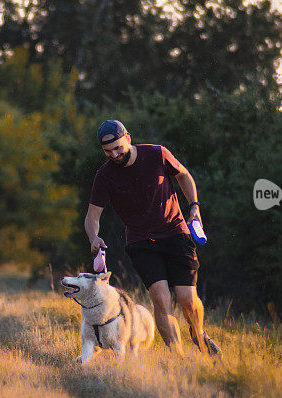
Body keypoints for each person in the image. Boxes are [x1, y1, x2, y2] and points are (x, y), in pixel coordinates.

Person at [85, 119, 221, 356]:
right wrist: (93, 237)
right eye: (108, 152)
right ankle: (178, 358)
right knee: (160, 298)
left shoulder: (157, 154)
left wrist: (194, 207)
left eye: (118, 148)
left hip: (176, 232)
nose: (114, 155)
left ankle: (199, 334)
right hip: (141, 242)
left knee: (187, 298)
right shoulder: (104, 175)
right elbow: (92, 216)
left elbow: (184, 176)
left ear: (128, 138)